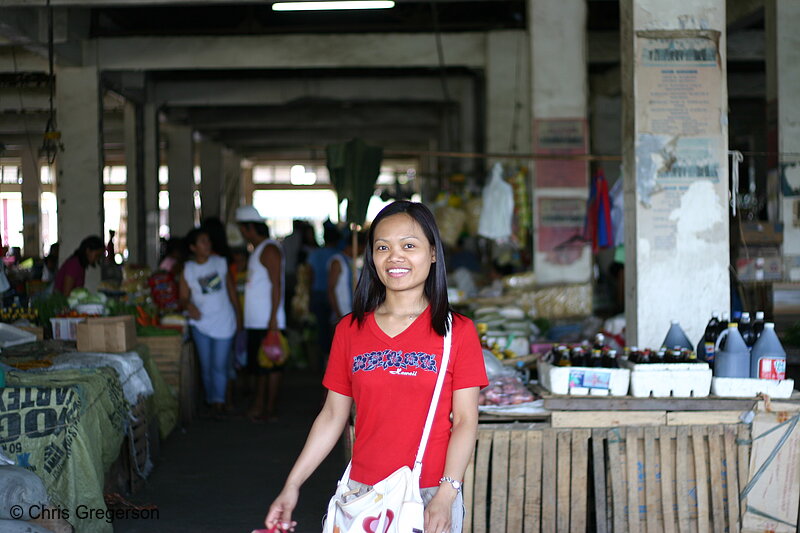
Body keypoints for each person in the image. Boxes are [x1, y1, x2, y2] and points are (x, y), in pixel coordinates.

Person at [264, 201, 488, 533]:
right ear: (372, 257)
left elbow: (466, 422)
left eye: (409, 246)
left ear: (432, 254)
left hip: (428, 495)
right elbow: (332, 415)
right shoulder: (350, 330)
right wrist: (292, 484)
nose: (394, 256)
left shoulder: (457, 332)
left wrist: (446, 493)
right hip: (361, 492)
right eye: (383, 247)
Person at [179, 228, 240, 418]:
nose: (208, 244)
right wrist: (190, 306)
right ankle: (212, 398)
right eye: (203, 241)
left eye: (208, 240)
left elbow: (231, 291)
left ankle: (219, 402)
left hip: (224, 320)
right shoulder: (188, 269)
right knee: (206, 366)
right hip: (201, 324)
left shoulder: (220, 263)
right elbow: (182, 297)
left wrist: (239, 316)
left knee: (220, 365)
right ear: (193, 247)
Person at [236, 205, 286, 422]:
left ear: (249, 229)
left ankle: (268, 408)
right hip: (259, 320)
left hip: (267, 320)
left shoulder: (268, 249)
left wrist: (273, 318)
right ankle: (262, 406)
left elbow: (276, 285)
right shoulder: (259, 249)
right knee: (261, 366)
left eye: (242, 229)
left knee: (270, 365)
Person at [307, 222, 340, 367]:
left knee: (321, 328)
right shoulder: (339, 255)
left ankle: (322, 361)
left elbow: (309, 275)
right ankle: (332, 361)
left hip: (318, 293)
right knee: (335, 329)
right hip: (335, 296)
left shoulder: (315, 254)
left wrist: (308, 293)